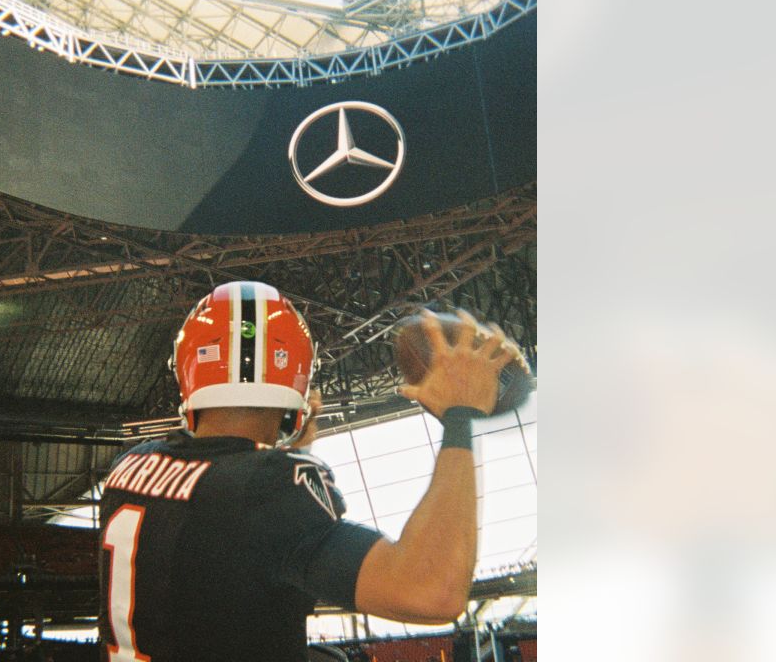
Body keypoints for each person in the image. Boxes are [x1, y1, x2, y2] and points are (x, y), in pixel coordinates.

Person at [96, 281, 518, 662]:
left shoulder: (131, 466)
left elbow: (219, 536)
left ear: (187, 370)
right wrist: (460, 416)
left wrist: (278, 452)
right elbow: (432, 592)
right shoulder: (273, 489)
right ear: (295, 380)